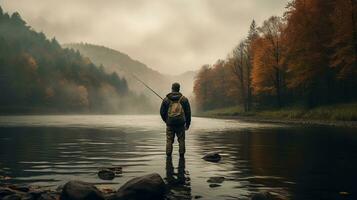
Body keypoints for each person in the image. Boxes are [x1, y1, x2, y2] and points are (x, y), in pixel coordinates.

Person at [160, 82, 191, 157]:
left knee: (169, 140)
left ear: (172, 89)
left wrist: (166, 120)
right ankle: (182, 156)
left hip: (170, 124)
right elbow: (188, 113)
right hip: (180, 124)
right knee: (181, 140)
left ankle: (168, 156)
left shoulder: (166, 100)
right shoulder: (184, 99)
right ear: (179, 89)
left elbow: (162, 112)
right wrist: (187, 124)